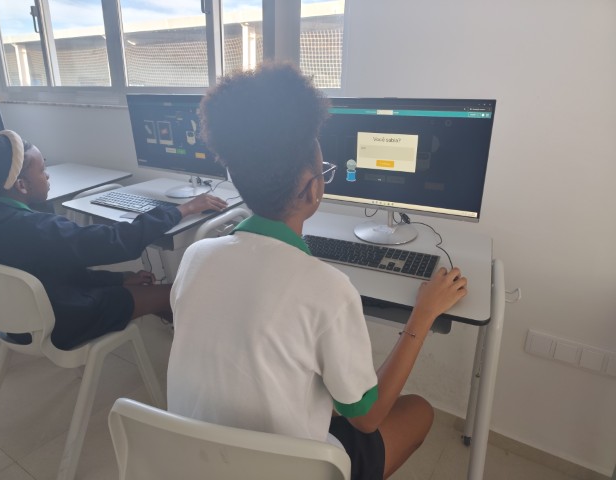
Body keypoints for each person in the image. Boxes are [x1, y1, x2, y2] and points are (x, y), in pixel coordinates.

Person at [167, 63, 467, 480]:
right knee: (418, 411)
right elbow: (367, 419)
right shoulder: (328, 288)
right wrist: (424, 315)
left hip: (197, 461)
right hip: (288, 471)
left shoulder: (196, 256)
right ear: (314, 188)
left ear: (234, 175)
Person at [0, 130, 227, 350]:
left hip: (15, 322)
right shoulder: (36, 228)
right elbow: (116, 242)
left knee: (145, 290)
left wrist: (118, 279)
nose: (48, 176)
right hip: (61, 321)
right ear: (21, 185)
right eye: (42, 170)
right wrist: (183, 209)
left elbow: (52, 268)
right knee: (177, 292)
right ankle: (203, 354)